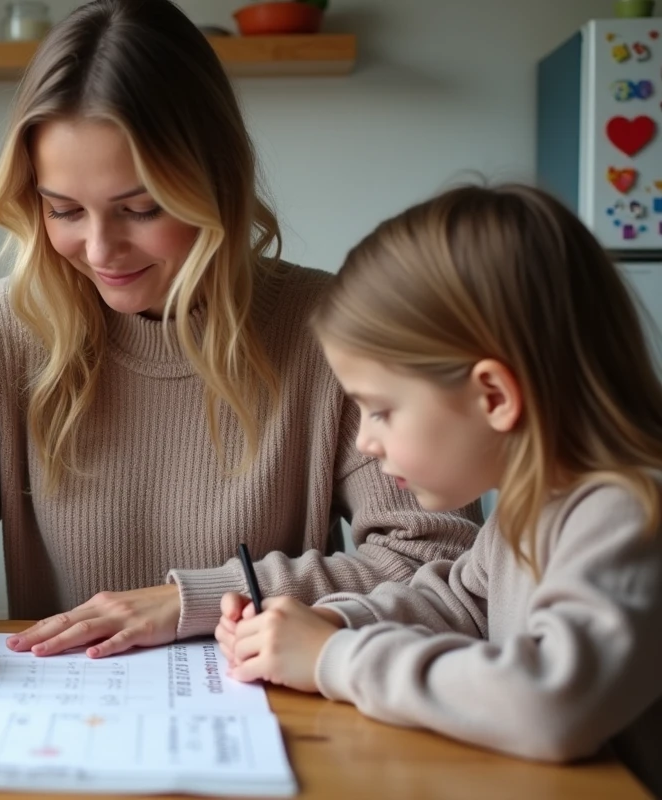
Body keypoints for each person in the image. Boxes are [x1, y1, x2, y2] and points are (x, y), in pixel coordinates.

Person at [0, 0, 480, 673]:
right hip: (66, 733)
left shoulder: (328, 328)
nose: (100, 250)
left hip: (274, 728)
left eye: (141, 209)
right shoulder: (11, 331)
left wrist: (195, 601)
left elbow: (438, 562)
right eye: (63, 209)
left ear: (213, 185)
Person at [216, 184, 662, 794]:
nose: (367, 442)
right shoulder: (532, 505)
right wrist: (328, 624)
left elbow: (552, 705)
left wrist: (331, 660)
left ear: (494, 397)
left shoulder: (629, 514)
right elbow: (460, 607)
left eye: (381, 410)